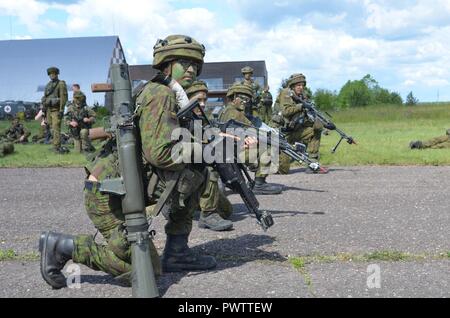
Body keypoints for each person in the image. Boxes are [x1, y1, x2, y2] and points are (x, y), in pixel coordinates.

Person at [39, 35, 218, 290]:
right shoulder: (160, 94)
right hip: (108, 194)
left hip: (125, 185)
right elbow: (161, 154)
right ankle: (63, 245)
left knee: (197, 173)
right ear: (166, 64)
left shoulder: (165, 92)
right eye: (183, 62)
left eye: (195, 65)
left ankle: (178, 252)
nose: (191, 69)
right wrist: (202, 150)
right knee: (145, 271)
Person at [185, 81, 233, 231]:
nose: (203, 104)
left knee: (226, 211)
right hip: (181, 172)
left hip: (197, 171)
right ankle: (207, 214)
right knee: (211, 168)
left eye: (205, 100)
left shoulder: (200, 118)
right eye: (198, 100)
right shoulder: (178, 118)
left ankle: (196, 205)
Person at [219, 83, 283, 195]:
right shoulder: (235, 113)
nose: (245, 101)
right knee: (269, 149)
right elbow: (250, 131)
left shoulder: (227, 110)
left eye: (247, 99)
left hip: (228, 150)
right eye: (242, 98)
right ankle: (259, 184)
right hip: (233, 151)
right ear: (233, 97)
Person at [273, 73, 325, 174]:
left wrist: (324, 124)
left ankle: (312, 162)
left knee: (315, 129)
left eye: (302, 85)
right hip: (281, 135)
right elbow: (286, 111)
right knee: (283, 171)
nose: (301, 88)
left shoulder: (303, 97)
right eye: (298, 85)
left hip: (294, 131)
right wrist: (301, 106)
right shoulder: (286, 93)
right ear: (292, 86)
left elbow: (307, 117)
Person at [41, 67, 68, 154]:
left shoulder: (61, 84)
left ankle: (57, 147)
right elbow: (44, 97)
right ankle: (54, 145)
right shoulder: (48, 85)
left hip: (56, 110)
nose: (52, 75)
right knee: (51, 128)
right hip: (49, 109)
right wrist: (44, 108)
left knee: (56, 127)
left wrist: (61, 110)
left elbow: (63, 98)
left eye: (53, 74)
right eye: (50, 74)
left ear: (57, 74)